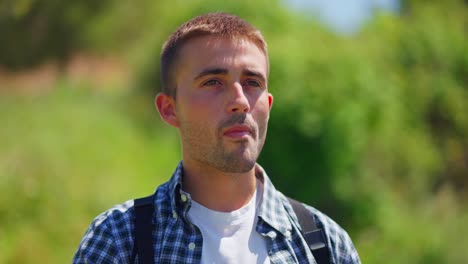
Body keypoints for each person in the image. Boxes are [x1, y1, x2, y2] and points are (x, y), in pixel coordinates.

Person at [73, 12, 361, 264]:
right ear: (170, 109)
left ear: (268, 106)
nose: (240, 101)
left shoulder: (325, 244)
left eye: (252, 83)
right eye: (213, 82)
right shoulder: (120, 239)